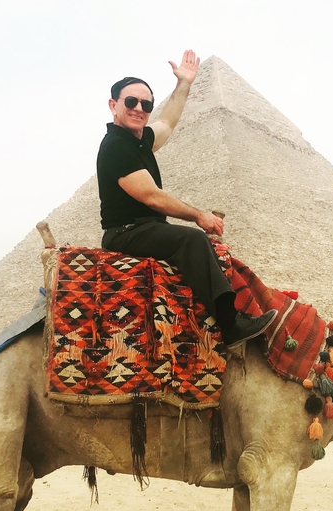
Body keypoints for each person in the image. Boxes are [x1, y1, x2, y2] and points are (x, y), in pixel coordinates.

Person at [97, 49, 275, 348]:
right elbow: (151, 196)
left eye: (146, 104)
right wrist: (198, 216)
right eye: (131, 102)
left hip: (145, 229)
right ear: (113, 105)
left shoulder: (137, 141)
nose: (139, 108)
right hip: (127, 233)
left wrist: (184, 84)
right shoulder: (116, 146)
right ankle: (231, 325)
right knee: (192, 241)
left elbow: (167, 123)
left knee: (196, 245)